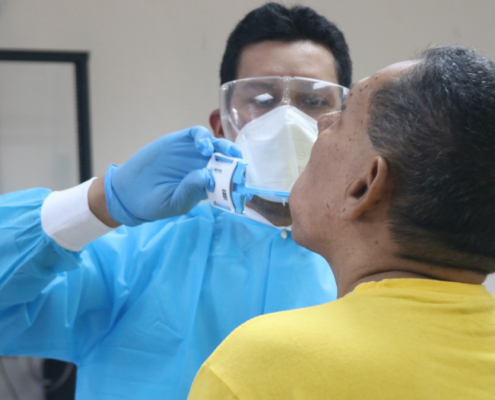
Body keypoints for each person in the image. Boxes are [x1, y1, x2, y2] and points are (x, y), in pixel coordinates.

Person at [0, 3, 352, 400]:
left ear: (347, 126)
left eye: (314, 102)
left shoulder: (378, 264)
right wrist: (102, 200)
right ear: (222, 126)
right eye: (263, 99)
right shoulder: (133, 256)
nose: (287, 122)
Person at [188, 46, 495, 400]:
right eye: (263, 99)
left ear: (363, 187)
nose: (319, 123)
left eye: (343, 115)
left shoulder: (259, 368)